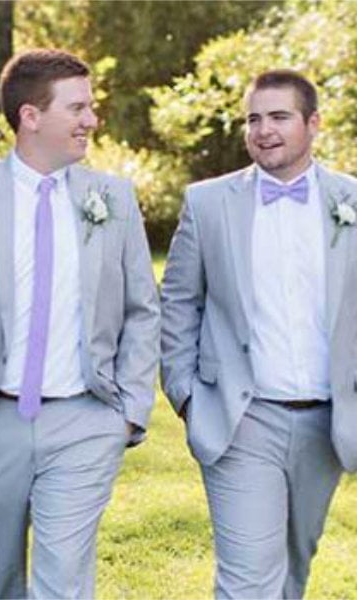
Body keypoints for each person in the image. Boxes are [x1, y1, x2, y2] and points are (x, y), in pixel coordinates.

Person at [0, 48, 159, 599]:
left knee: (63, 579)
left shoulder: (113, 199)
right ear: (31, 116)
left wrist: (128, 411)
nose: (91, 120)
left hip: (86, 421)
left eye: (90, 108)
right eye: (77, 108)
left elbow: (144, 309)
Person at [161, 69, 357, 599]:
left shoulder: (351, 202)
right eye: (253, 118)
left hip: (328, 422)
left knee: (294, 568)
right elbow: (178, 304)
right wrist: (188, 397)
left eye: (279, 117)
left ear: (313, 123)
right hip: (243, 418)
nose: (263, 130)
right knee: (249, 580)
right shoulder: (208, 204)